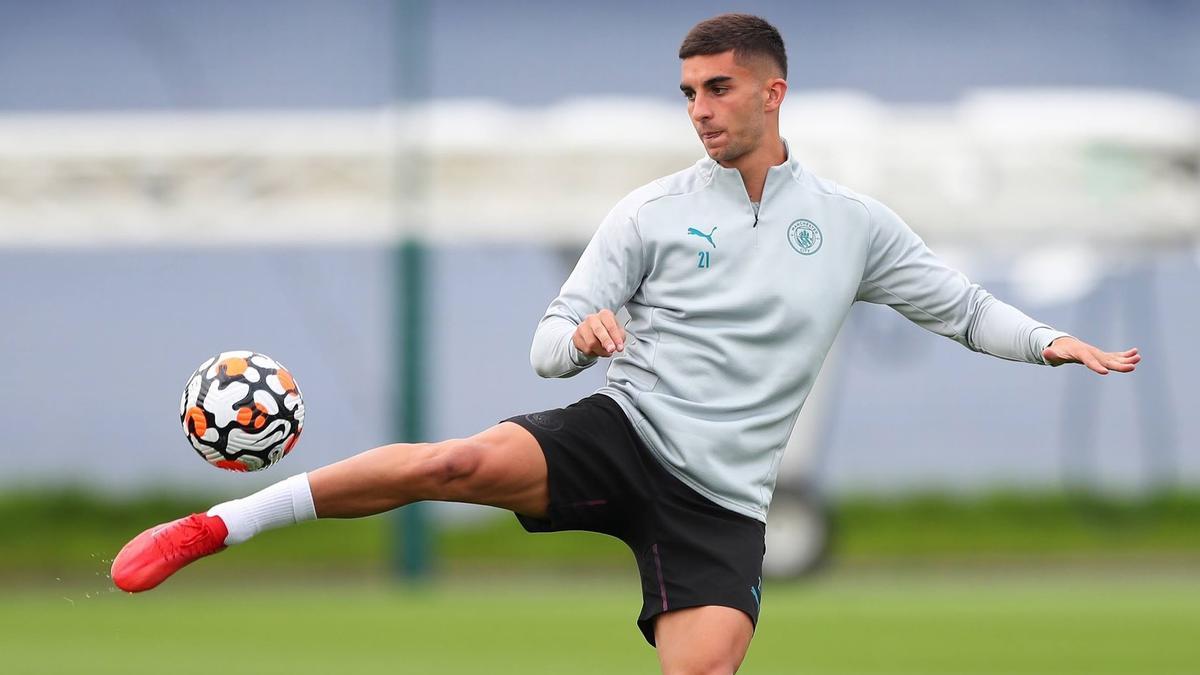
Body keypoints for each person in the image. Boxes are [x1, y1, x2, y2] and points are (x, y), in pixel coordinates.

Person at [111, 13, 1139, 674]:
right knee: (452, 461)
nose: (699, 110)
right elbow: (550, 341)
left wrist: (1053, 343)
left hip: (725, 502)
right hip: (623, 430)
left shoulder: (854, 225)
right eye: (688, 92)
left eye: (718, 89)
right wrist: (581, 337)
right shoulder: (648, 212)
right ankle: (217, 525)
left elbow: (958, 306)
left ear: (772, 92)